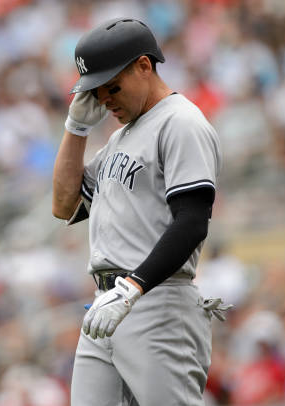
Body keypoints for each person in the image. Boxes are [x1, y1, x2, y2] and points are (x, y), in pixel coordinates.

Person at [52, 18, 231, 406]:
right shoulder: (120, 137)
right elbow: (62, 204)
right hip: (105, 306)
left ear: (144, 66)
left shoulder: (180, 122)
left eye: (112, 87)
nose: (105, 100)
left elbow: (192, 222)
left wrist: (133, 287)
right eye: (96, 93)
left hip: (157, 302)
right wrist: (76, 129)